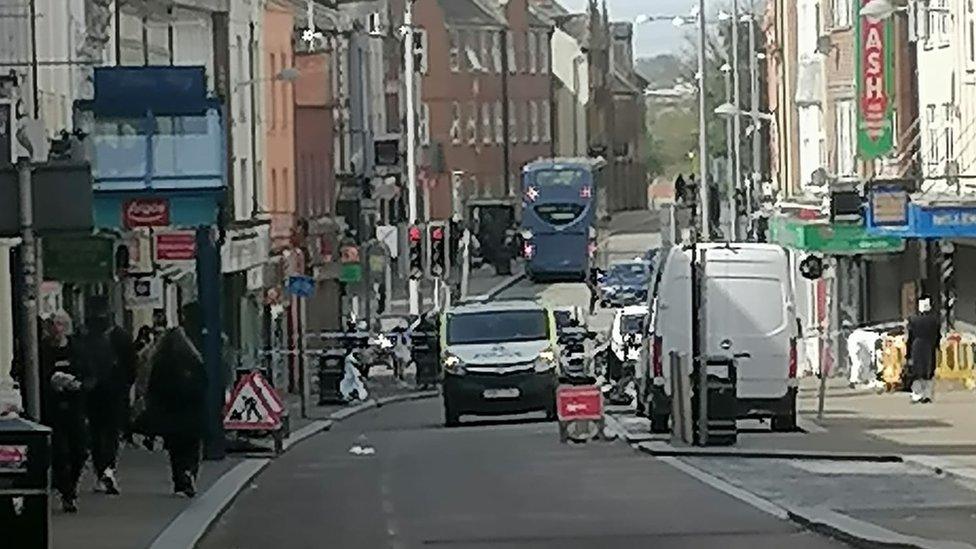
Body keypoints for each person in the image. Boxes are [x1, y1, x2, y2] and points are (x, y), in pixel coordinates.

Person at [80, 296, 135, 495]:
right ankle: (108, 469)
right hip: (115, 392)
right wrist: (125, 385)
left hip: (92, 393)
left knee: (95, 434)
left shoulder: (84, 335)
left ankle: (101, 471)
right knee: (111, 433)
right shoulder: (120, 335)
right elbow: (131, 367)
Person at [143, 326, 207, 497]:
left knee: (175, 451)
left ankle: (180, 481)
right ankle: (190, 472)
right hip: (192, 413)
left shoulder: (161, 362)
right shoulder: (193, 360)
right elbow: (203, 386)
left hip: (170, 414)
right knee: (192, 448)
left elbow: (153, 389)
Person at [39, 312, 89, 512]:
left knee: (79, 451)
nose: (57, 329)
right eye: (53, 325)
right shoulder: (42, 350)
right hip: (53, 409)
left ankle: (72, 484)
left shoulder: (77, 349)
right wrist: (50, 385)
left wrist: (79, 384)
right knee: (60, 452)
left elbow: (88, 373)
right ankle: (67, 492)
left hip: (75, 407)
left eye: (61, 324)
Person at [906, 297, 940, 404]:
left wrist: (908, 354)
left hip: (917, 345)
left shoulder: (913, 319)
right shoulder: (934, 319)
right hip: (929, 346)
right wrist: (936, 346)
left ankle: (917, 394)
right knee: (929, 371)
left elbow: (910, 337)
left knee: (917, 371)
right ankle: (928, 394)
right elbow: (937, 335)